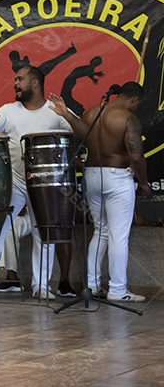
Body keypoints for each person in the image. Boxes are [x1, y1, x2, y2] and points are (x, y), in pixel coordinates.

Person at [0, 66, 72, 299]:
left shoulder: (54, 110)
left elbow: (80, 132)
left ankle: (41, 286)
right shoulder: (8, 110)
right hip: (16, 180)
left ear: (34, 83)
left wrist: (67, 115)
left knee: (44, 233)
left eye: (20, 79)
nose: (15, 83)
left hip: (44, 183)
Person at [50, 82, 151, 302]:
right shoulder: (129, 119)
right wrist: (144, 183)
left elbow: (80, 139)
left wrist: (67, 114)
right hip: (117, 177)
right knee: (118, 235)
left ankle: (93, 285)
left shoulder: (92, 113)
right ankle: (118, 290)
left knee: (101, 230)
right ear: (134, 100)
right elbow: (135, 156)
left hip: (92, 175)